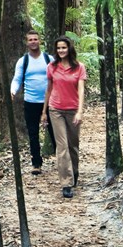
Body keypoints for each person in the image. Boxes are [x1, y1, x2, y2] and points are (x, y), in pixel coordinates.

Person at [45, 36, 86, 198]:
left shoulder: (79, 67)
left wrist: (80, 111)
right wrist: (43, 112)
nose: (61, 51)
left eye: (64, 48)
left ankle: (74, 173)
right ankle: (66, 183)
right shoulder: (51, 67)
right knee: (62, 147)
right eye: (58, 48)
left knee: (73, 146)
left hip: (73, 109)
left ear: (69, 49)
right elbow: (48, 89)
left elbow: (81, 90)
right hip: (56, 110)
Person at [9, 30, 53, 174]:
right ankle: (36, 164)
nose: (33, 41)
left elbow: (59, 77)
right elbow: (17, 79)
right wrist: (13, 91)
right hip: (31, 102)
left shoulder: (49, 59)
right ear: (26, 42)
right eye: (30, 39)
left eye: (35, 39)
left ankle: (63, 161)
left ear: (39, 41)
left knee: (55, 132)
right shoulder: (23, 61)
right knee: (33, 134)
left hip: (50, 102)